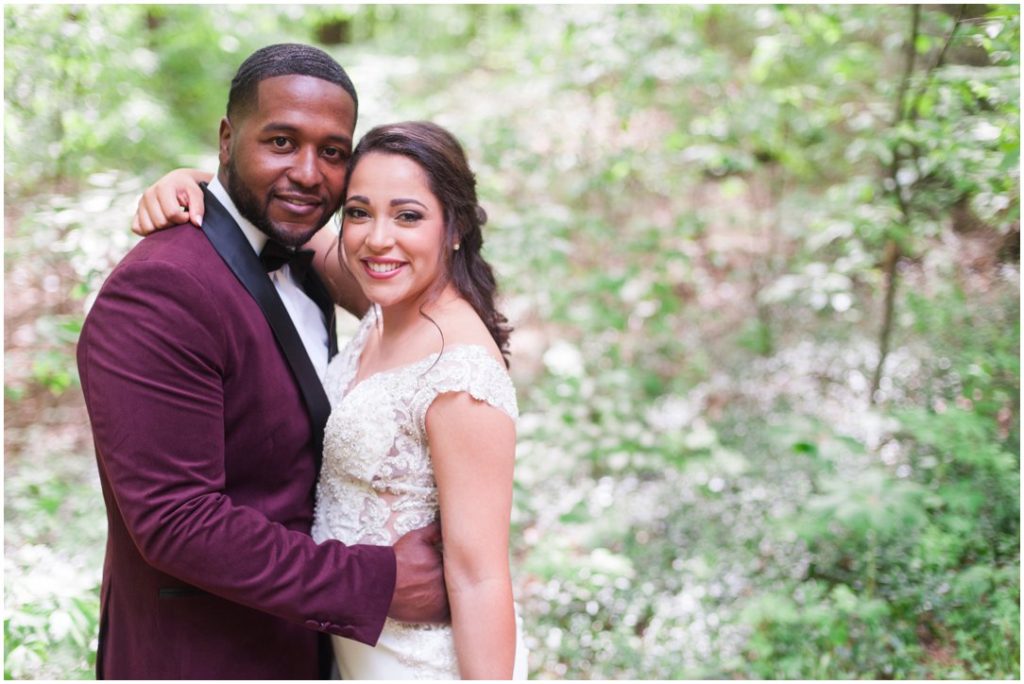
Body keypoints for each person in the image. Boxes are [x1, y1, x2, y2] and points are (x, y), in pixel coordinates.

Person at [76, 44, 448, 680]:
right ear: (227, 139)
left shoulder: (307, 257)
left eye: (332, 152)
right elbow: (177, 521)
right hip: (203, 657)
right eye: (280, 141)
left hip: (313, 650)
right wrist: (375, 581)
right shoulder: (161, 288)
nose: (308, 172)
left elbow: (429, 305)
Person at [134, 122, 528, 678]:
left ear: (455, 226)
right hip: (346, 642)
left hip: (417, 659)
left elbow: (479, 577)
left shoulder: (460, 374)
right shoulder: (385, 302)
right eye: (360, 212)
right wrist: (187, 183)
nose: (377, 238)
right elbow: (263, 215)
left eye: (409, 215)